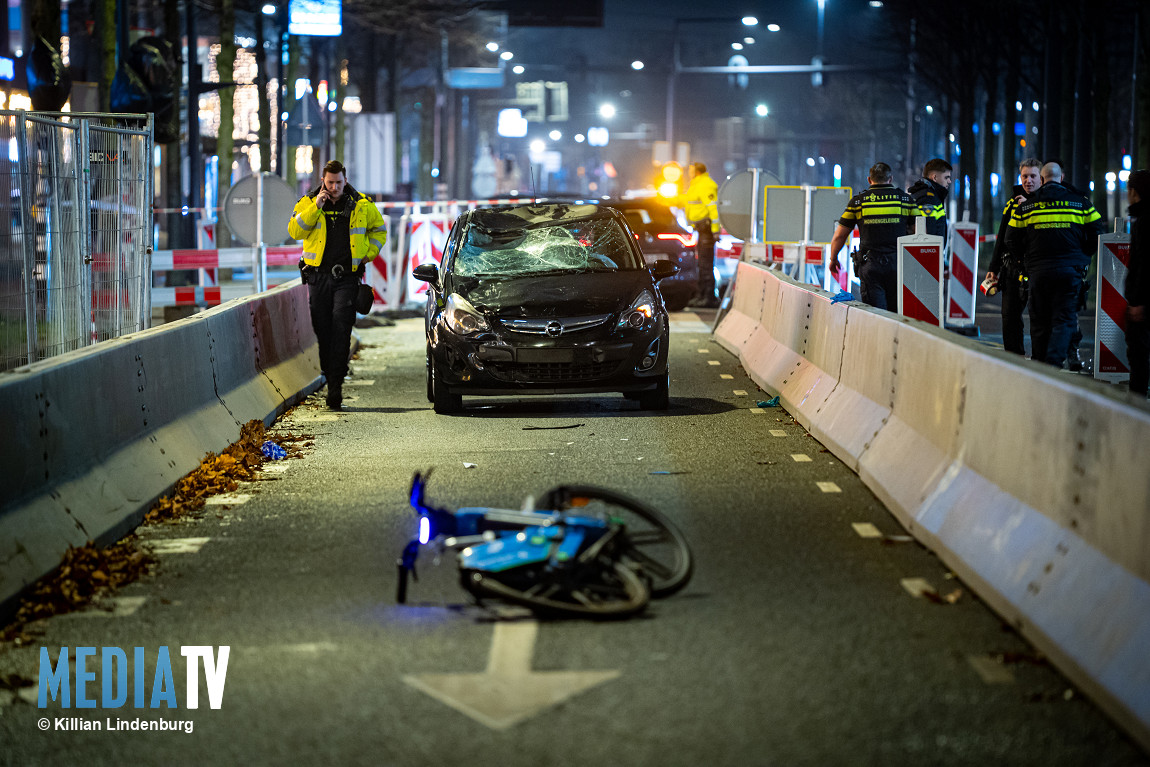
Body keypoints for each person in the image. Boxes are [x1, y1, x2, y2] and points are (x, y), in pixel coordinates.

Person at [288, 160, 387, 410]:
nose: (334, 187)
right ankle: (328, 372)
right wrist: (316, 207)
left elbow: (379, 230)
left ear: (345, 179)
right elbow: (294, 231)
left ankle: (335, 386)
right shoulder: (308, 202)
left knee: (342, 326)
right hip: (317, 277)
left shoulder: (361, 204)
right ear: (323, 180)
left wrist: (369, 253)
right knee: (323, 329)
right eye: (330, 182)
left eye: (339, 182)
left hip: (347, 277)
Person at [1005, 161, 1103, 368]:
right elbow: (1097, 234)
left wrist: (1025, 261)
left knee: (1039, 321)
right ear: (1061, 178)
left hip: (1038, 272)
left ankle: (1041, 366)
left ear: (1041, 180)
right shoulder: (1081, 203)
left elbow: (1011, 239)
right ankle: (1054, 362)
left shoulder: (1027, 207)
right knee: (1065, 319)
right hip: (1070, 272)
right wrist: (1081, 256)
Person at [829, 162, 919, 310]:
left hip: (870, 265)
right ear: (890, 179)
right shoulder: (905, 200)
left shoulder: (858, 202)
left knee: (875, 312)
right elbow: (919, 232)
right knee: (897, 311)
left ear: (869, 179)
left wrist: (833, 259)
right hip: (899, 264)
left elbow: (840, 236)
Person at [986, 157, 1042, 355]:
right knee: (1009, 317)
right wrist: (993, 268)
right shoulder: (1012, 204)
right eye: (1025, 176)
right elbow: (1002, 237)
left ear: (1041, 179)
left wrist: (1028, 208)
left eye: (1033, 176)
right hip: (1012, 268)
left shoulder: (1046, 204)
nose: (1028, 181)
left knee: (1039, 318)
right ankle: (1014, 358)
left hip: (1037, 268)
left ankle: (1040, 362)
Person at [682, 162, 720, 308]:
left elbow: (713, 209)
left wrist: (715, 230)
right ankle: (702, 295)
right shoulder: (697, 184)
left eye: (691, 170)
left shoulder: (705, 185)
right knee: (702, 264)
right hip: (701, 229)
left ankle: (709, 297)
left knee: (706, 264)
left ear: (696, 171)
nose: (689, 173)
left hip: (707, 230)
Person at [1125, 169, 1150, 396]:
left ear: (1134, 191)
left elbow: (1142, 263)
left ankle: (1136, 407)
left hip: (1142, 303)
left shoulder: (1143, 222)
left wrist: (1137, 301)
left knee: (1139, 356)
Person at [907, 158, 952, 244]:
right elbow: (928, 235)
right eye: (946, 177)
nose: (949, 181)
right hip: (928, 253)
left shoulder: (927, 195)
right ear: (934, 177)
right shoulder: (928, 199)